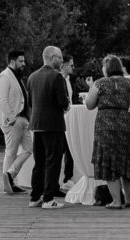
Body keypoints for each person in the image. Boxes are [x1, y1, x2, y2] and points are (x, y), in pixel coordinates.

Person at [85, 54, 130, 209]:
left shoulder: (100, 83)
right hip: (124, 124)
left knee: (109, 161)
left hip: (105, 126)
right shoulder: (128, 82)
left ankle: (116, 201)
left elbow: (89, 105)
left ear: (107, 68)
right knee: (125, 159)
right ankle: (129, 199)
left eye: (103, 66)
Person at [27, 45, 70, 209]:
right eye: (59, 58)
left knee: (39, 163)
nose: (61, 61)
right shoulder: (57, 77)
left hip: (37, 125)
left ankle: (35, 196)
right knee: (53, 162)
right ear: (52, 58)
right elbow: (63, 102)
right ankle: (49, 198)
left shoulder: (32, 77)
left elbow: (31, 102)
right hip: (53, 125)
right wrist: (66, 106)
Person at [0, 49, 31, 194]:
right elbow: (2, 101)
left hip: (23, 119)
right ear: (12, 61)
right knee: (11, 152)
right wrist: (12, 119)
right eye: (21, 61)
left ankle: (10, 175)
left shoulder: (17, 76)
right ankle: (8, 184)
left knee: (30, 149)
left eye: (24, 61)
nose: (24, 63)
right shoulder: (4, 76)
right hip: (13, 121)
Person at [59, 56, 77, 187]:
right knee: (60, 150)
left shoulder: (69, 80)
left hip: (69, 119)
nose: (73, 67)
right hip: (59, 119)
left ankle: (67, 178)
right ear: (64, 65)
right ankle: (60, 180)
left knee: (69, 148)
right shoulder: (57, 79)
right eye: (71, 65)